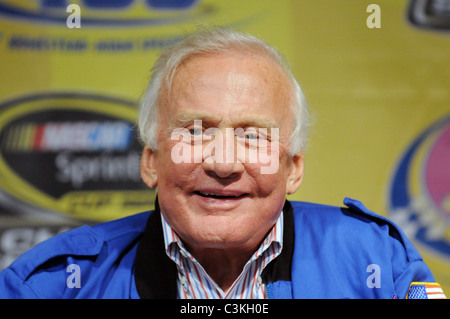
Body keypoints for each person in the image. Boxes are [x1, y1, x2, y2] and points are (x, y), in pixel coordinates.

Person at [0, 26, 446, 299]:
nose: (224, 162)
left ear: (294, 167)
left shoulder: (376, 264)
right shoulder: (55, 285)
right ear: (151, 160)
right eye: (196, 131)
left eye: (253, 136)